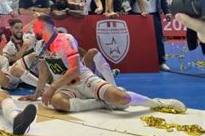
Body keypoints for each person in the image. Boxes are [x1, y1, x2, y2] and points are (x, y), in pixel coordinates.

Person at [30, 15, 185, 113]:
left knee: (121, 98)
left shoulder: (66, 39)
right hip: (65, 86)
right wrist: (36, 94)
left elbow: (75, 70)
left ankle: (157, 102)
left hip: (83, 79)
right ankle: (99, 104)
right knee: (58, 102)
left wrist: (52, 87)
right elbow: (44, 71)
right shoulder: (39, 46)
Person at [133, 0, 172, 71]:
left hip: (154, 15)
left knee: (158, 39)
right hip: (138, 15)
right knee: (137, 39)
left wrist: (167, 12)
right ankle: (137, 61)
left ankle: (161, 62)